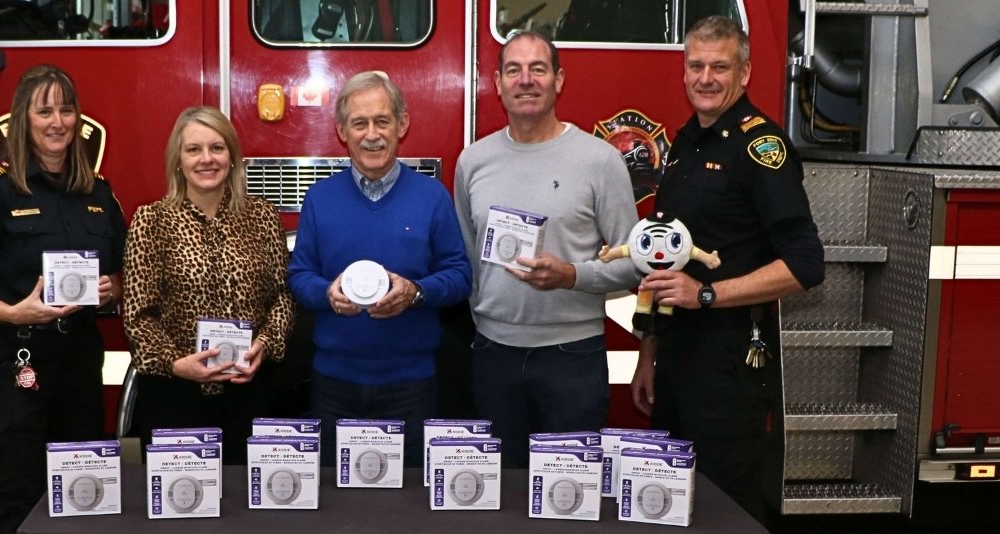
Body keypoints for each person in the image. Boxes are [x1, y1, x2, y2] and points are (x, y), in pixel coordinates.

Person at [631, 15, 824, 525]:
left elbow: (806, 264)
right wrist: (649, 351)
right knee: (674, 509)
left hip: (730, 367)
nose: (706, 78)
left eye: (719, 67)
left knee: (726, 513)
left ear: (745, 73)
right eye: (696, 65)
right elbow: (663, 260)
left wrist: (706, 295)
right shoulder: (685, 143)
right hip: (677, 361)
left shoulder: (761, 148)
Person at [0, 65, 127, 533]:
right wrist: (13, 313)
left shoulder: (98, 192)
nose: (57, 122)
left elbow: (121, 275)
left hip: (80, 364)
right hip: (17, 363)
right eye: (44, 111)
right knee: (15, 500)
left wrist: (110, 288)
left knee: (84, 499)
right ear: (22, 119)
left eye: (66, 110)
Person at [453, 30, 640, 467]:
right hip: (493, 355)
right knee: (498, 489)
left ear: (558, 80)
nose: (526, 80)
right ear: (497, 83)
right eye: (514, 70)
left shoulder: (600, 160)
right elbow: (466, 261)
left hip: (572, 356)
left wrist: (572, 275)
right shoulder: (472, 161)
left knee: (570, 489)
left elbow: (634, 264)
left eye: (538, 69)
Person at [287, 72, 472, 466]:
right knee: (333, 494)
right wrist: (326, 293)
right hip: (333, 383)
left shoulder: (432, 197)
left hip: (411, 384)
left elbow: (459, 276)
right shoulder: (320, 198)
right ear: (342, 131)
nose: (372, 135)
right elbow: (299, 276)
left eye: (382, 121)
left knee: (410, 497)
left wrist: (416, 292)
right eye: (360, 123)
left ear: (401, 125)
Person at [121, 106, 295, 464]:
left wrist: (265, 344)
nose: (206, 159)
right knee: (182, 495)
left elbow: (284, 295)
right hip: (175, 395)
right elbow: (138, 315)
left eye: (217, 148)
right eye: (193, 149)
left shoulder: (262, 217)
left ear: (231, 157)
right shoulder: (151, 220)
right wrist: (175, 363)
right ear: (178, 160)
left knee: (247, 494)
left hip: (249, 392)